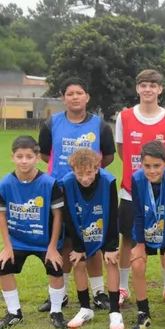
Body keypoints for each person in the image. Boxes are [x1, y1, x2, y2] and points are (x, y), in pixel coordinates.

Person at [36, 77, 116, 314]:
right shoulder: (51, 124)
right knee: (64, 243)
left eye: (79, 93)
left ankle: (99, 291)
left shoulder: (100, 126)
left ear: (87, 97)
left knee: (92, 239)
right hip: (59, 192)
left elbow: (108, 157)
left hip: (90, 191)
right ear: (64, 98)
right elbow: (44, 155)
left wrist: (87, 175)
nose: (74, 97)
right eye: (70, 93)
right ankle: (60, 294)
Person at [115, 69, 165, 306]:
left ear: (160, 89)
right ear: (137, 89)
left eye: (153, 85)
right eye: (143, 85)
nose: (148, 89)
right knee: (128, 239)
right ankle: (123, 287)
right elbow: (121, 150)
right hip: (130, 190)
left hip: (162, 193)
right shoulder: (124, 117)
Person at [0, 136, 66, 329]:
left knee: (56, 266)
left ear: (38, 158)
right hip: (18, 240)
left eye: (29, 156)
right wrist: (7, 247)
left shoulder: (49, 183)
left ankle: (56, 311)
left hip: (44, 240)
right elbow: (1, 215)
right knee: (3, 265)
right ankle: (14, 313)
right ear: (12, 157)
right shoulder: (5, 184)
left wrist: (52, 247)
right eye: (19, 156)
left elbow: (58, 215)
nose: (24, 161)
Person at [59, 148, 123, 329]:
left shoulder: (108, 181)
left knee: (111, 261)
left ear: (97, 168)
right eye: (79, 174)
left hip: (103, 226)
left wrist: (111, 246)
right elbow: (69, 215)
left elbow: (112, 213)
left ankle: (114, 311)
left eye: (89, 173)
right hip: (80, 227)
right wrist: (78, 247)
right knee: (78, 261)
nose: (84, 178)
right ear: (73, 170)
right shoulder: (67, 183)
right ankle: (85, 308)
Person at [129, 140, 165, 329]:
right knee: (136, 263)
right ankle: (143, 314)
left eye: (157, 166)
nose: (152, 171)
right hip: (144, 228)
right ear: (141, 164)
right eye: (147, 166)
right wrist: (139, 244)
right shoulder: (136, 180)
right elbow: (137, 213)